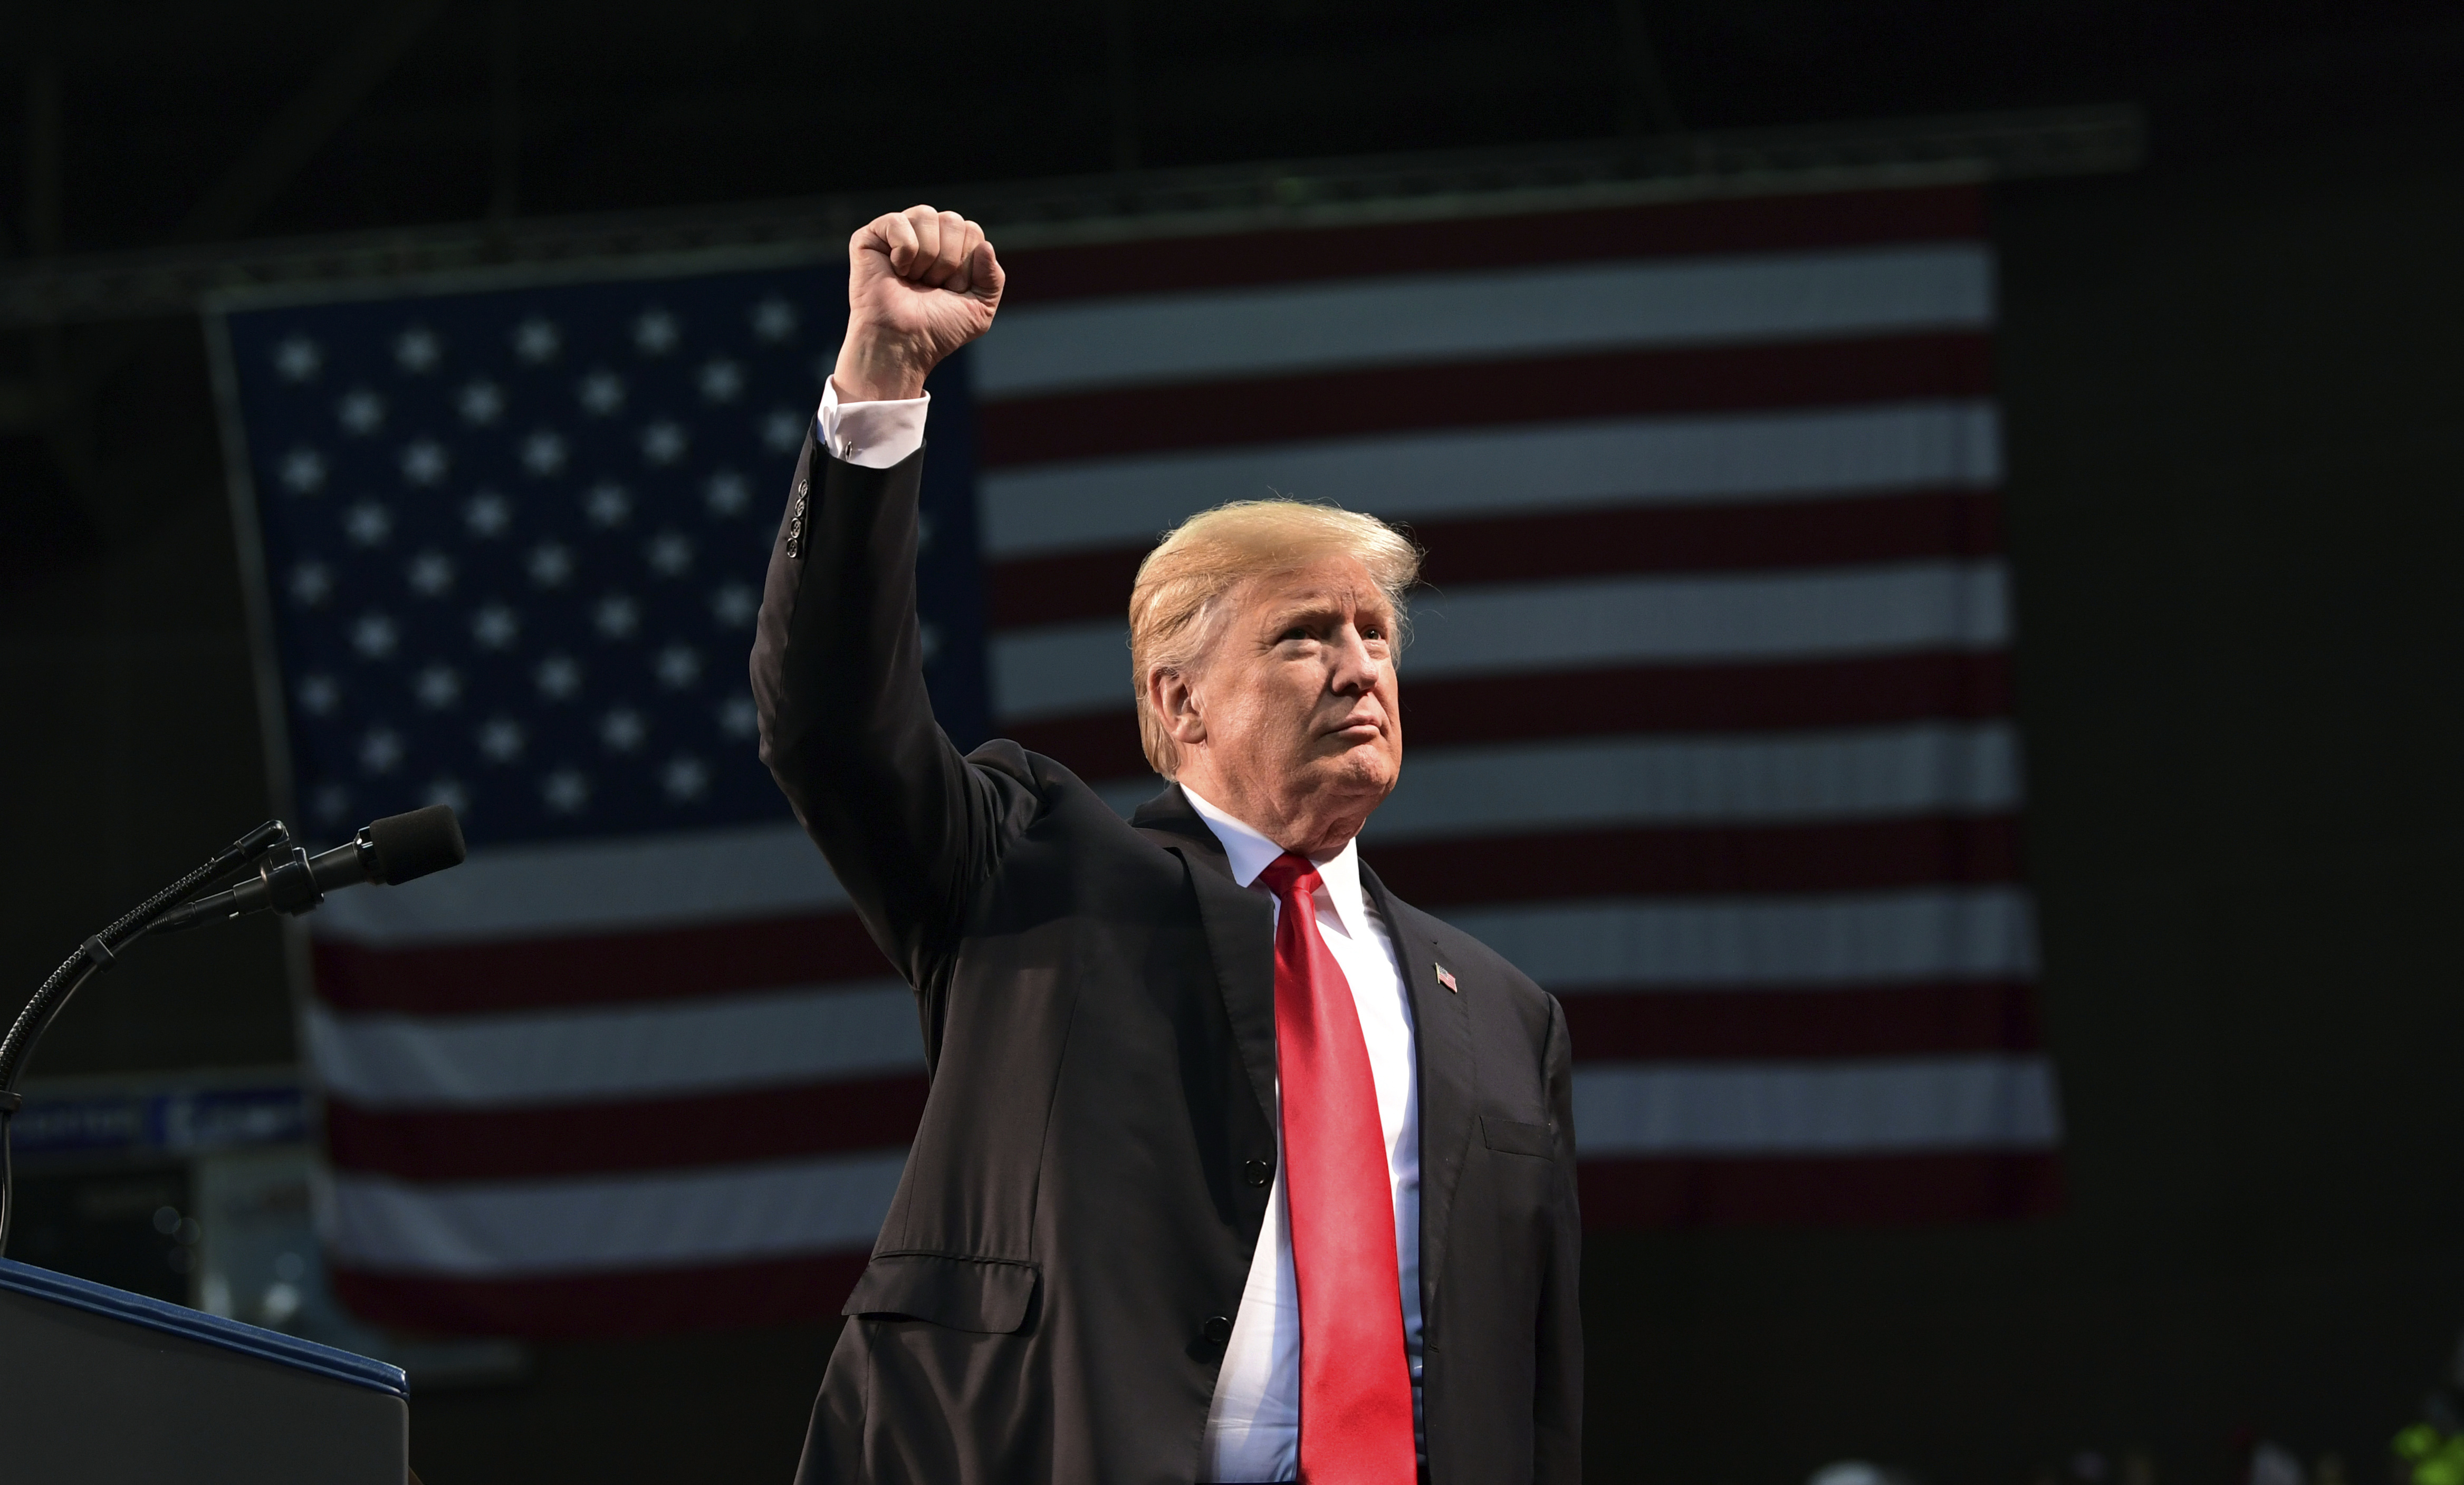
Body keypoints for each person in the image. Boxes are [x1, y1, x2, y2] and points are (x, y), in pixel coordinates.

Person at [752, 205, 1581, 1485]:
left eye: (1376, 634)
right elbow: (830, 723)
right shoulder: (1035, 876)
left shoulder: (1504, 1016)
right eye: (1305, 634)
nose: (1359, 667)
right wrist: (878, 384)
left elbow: (1532, 1392)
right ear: (1176, 703)